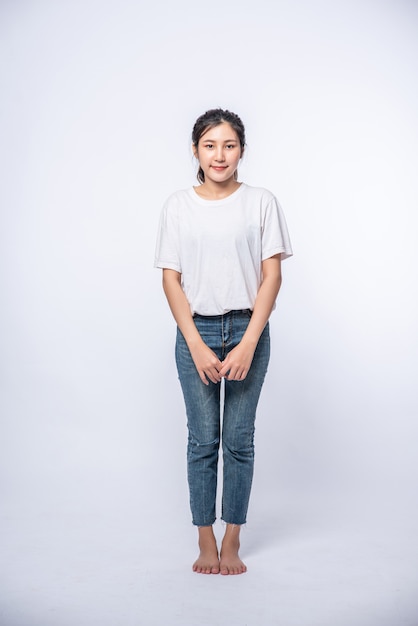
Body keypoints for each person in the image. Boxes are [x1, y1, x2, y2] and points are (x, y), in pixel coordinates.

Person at [154, 108, 292, 575]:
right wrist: (194, 342)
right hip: (197, 331)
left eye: (229, 145)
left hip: (247, 328)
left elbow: (271, 276)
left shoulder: (261, 202)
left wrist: (250, 340)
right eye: (210, 145)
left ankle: (232, 538)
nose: (220, 154)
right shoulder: (178, 205)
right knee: (201, 441)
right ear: (195, 150)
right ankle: (204, 539)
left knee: (238, 440)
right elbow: (171, 281)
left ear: (242, 151)